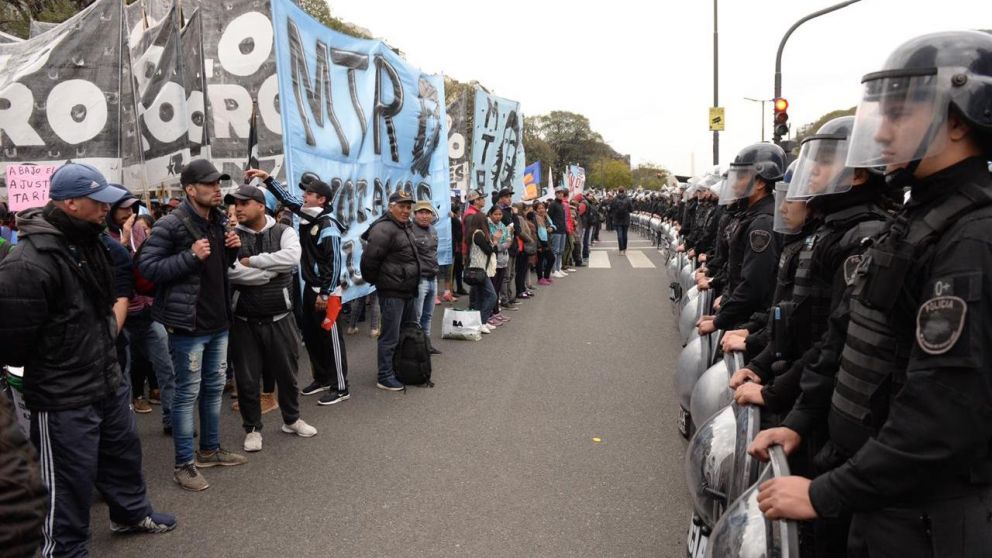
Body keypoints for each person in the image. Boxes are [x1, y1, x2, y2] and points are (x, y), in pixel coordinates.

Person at [752, 31, 992, 557]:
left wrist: (825, 491)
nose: (881, 133)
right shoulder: (915, 222)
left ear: (959, 117)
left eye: (900, 114)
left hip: (924, 520)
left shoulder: (971, 238)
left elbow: (941, 418)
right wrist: (796, 423)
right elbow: (845, 336)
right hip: (873, 493)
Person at [0, 163, 176, 554]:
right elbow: (12, 343)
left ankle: (129, 513)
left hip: (107, 378)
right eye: (100, 203)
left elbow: (116, 290)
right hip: (62, 394)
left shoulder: (93, 242)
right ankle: (62, 548)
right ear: (70, 204)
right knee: (67, 479)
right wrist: (62, 357)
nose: (109, 210)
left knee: (123, 454)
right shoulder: (27, 262)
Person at [138, 158, 248, 492]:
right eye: (210, 184)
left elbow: (216, 269)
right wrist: (188, 256)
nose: (218, 190)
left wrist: (231, 252)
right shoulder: (171, 224)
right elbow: (147, 268)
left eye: (219, 184)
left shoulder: (217, 220)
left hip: (218, 321)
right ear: (190, 189)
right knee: (188, 394)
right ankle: (183, 464)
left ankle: (210, 450)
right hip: (188, 326)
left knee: (214, 388)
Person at [247, 169, 351, 407]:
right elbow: (287, 199)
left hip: (327, 292)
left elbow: (334, 262)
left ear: (322, 199)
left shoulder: (328, 224)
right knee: (313, 336)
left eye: (310, 193)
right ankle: (322, 378)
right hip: (310, 289)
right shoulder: (309, 215)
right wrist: (267, 178)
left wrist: (326, 292)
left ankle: (340, 386)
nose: (304, 195)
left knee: (331, 338)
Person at [226, 184, 317, 452]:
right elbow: (230, 272)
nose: (237, 208)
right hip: (244, 320)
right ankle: (252, 428)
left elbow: (290, 259)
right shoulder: (230, 236)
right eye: (235, 204)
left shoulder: (284, 231)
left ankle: (292, 419)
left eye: (244, 203)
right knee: (247, 378)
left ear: (260, 205)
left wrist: (252, 262)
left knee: (288, 375)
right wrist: (268, 272)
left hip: (281, 316)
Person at [698, 143, 785, 337]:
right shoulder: (749, 215)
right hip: (740, 315)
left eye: (741, 176)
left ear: (761, 182)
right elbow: (734, 270)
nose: (735, 183)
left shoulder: (762, 223)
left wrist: (721, 320)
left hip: (748, 323)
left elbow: (754, 284)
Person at [360, 191, 420, 391]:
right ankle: (384, 376)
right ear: (390, 206)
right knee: (390, 336)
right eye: (401, 206)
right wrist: (381, 281)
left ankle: (396, 368)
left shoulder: (404, 226)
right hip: (392, 291)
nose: (405, 210)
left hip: (406, 289)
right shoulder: (384, 228)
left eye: (408, 207)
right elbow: (369, 261)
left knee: (403, 332)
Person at [411, 200, 441, 354]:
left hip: (432, 277)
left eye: (427, 212)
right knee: (416, 316)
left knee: (428, 315)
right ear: (414, 214)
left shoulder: (433, 230)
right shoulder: (410, 230)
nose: (424, 216)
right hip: (419, 279)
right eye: (421, 212)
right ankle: (415, 348)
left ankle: (426, 345)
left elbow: (433, 253)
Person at [464, 205, 499, 333]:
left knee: (480, 297)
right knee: (492, 296)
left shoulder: (475, 233)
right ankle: (483, 322)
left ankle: (479, 321)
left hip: (477, 269)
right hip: (479, 270)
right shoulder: (478, 234)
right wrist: (494, 242)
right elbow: (488, 250)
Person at [548, 187, 569, 277]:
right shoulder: (553, 204)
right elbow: (549, 218)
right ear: (555, 194)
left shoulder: (562, 205)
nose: (561, 194)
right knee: (555, 251)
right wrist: (552, 227)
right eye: (559, 193)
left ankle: (558, 268)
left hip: (562, 230)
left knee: (561, 251)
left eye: (562, 193)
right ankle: (554, 270)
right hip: (556, 231)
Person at [611, 188, 633, 255]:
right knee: (625, 235)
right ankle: (625, 249)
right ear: (624, 191)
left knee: (619, 235)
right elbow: (631, 209)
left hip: (617, 219)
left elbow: (612, 208)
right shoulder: (628, 199)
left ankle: (621, 249)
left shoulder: (614, 199)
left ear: (618, 191)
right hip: (626, 218)